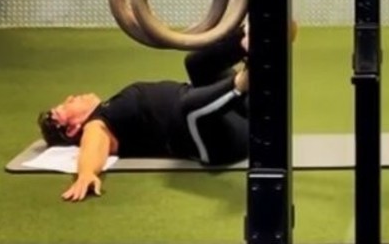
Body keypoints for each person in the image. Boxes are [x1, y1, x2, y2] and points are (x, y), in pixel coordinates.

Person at [37, 27, 251, 202]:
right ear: (73, 128)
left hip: (230, 113)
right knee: (187, 108)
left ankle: (248, 36)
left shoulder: (109, 108)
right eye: (63, 107)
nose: (70, 98)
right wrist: (86, 173)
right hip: (219, 141)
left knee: (195, 63)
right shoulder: (97, 124)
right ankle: (243, 81)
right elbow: (93, 143)